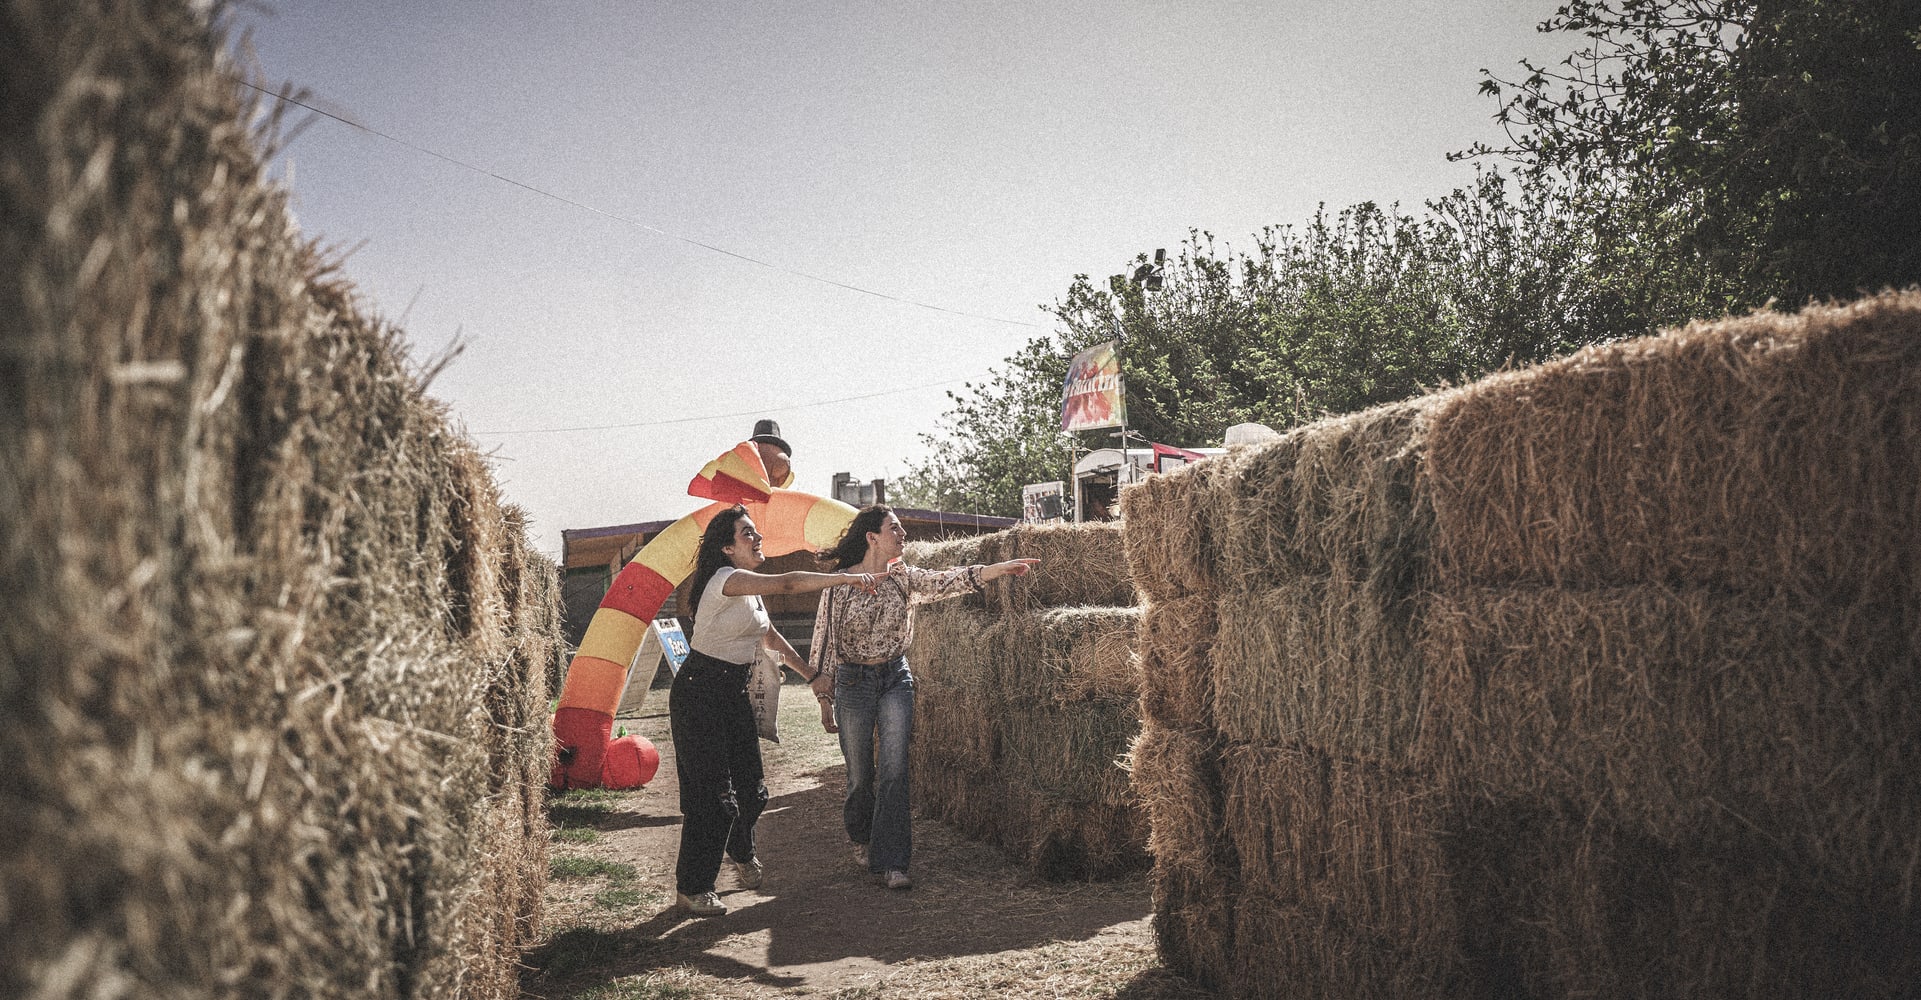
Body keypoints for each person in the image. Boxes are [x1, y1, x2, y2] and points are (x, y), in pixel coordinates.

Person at [807, 505, 1039, 890]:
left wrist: (996, 570)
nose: (904, 535)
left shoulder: (904, 578)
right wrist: (824, 698)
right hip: (853, 682)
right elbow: (825, 640)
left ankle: (893, 862)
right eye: (894, 529)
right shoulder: (840, 583)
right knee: (861, 774)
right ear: (872, 537)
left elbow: (946, 580)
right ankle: (861, 835)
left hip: (895, 677)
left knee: (895, 771)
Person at [672, 504, 876, 917]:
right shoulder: (724, 580)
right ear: (727, 549)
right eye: (748, 534)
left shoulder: (748, 590)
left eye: (755, 532)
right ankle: (693, 888)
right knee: (714, 799)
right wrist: (846, 578)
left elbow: (769, 635)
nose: (757, 538)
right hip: (699, 693)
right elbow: (788, 584)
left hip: (732, 694)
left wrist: (811, 674)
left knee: (753, 792)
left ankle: (740, 848)